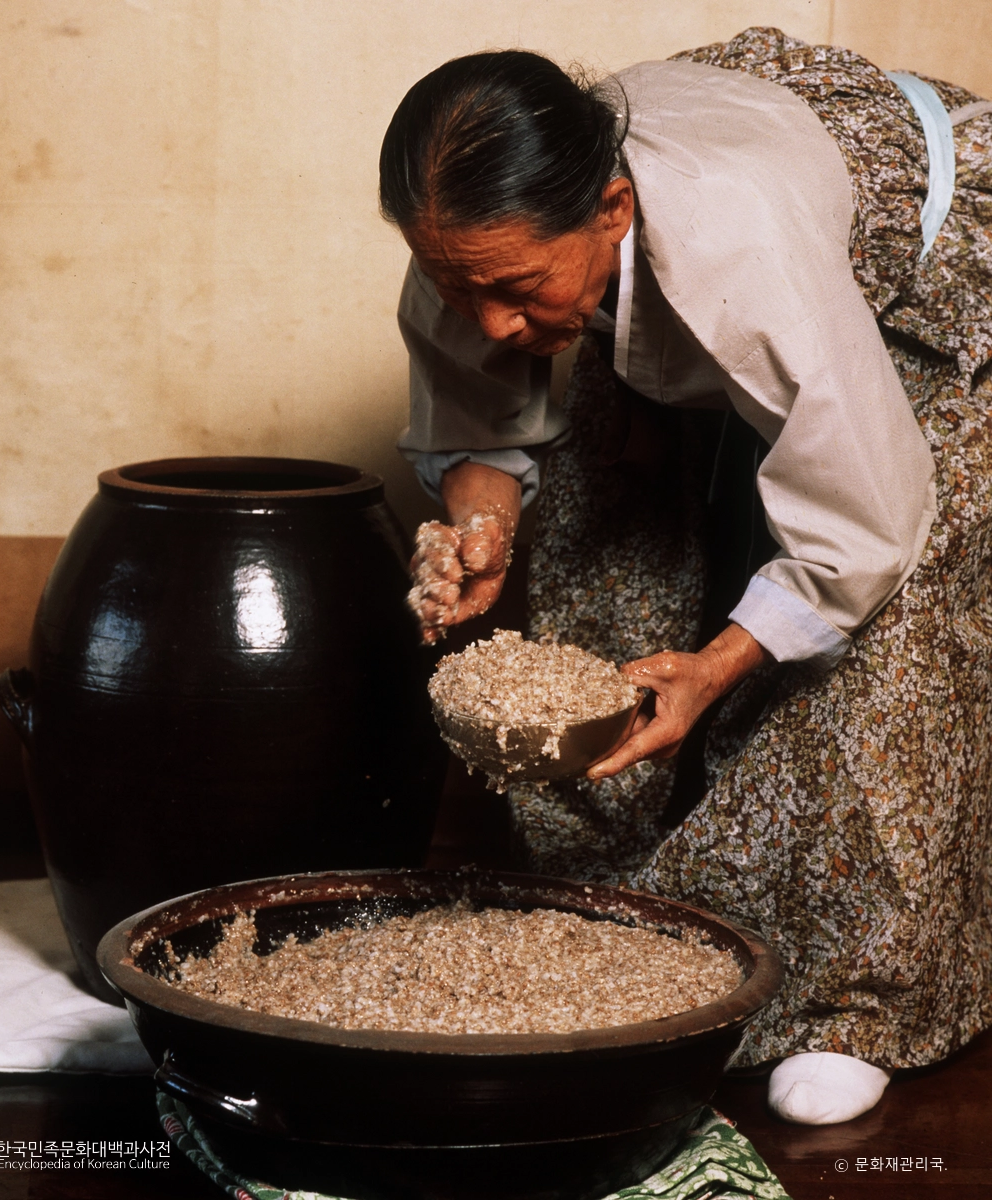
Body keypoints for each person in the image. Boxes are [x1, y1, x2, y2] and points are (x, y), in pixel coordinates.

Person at [379, 27, 992, 1125]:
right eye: (455, 285)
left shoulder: (737, 254)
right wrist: (481, 521)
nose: (488, 322)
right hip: (707, 220)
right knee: (596, 523)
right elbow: (477, 395)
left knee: (895, 603)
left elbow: (865, 518)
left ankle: (850, 1003)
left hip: (927, 258)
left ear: (610, 210)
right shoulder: (477, 228)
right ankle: (615, 897)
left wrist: (717, 663)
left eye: (513, 290)